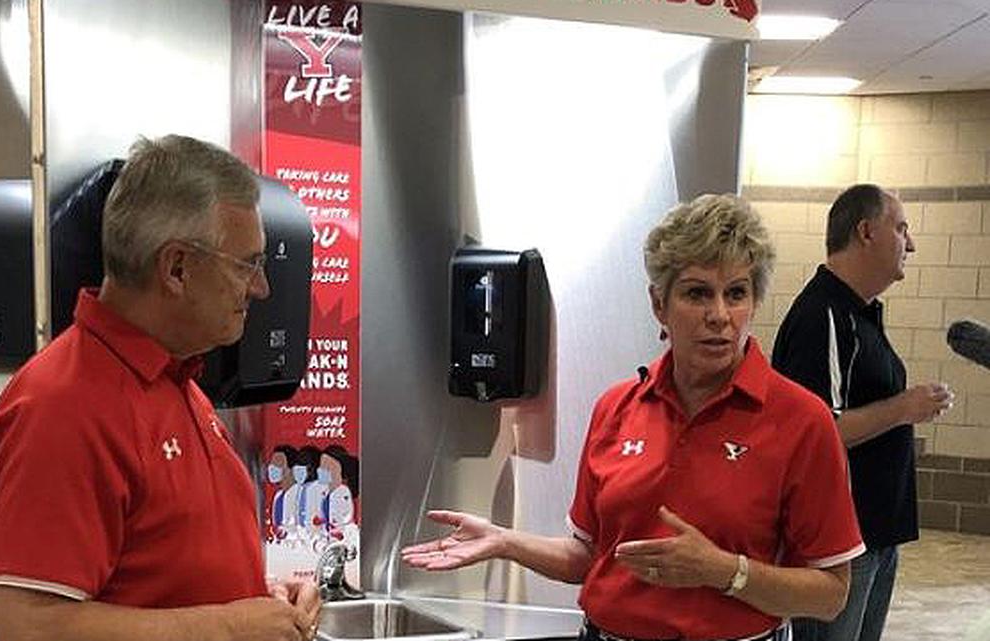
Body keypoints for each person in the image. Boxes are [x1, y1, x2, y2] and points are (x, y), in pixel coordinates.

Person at [403, 194, 864, 641]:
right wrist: (505, 541)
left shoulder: (801, 420)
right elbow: (588, 555)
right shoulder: (617, 408)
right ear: (659, 305)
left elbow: (830, 595)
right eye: (697, 293)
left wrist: (726, 571)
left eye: (736, 293)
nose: (720, 315)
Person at [0, 135, 321, 641]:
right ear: (177, 268)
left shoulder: (179, 382)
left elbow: (161, 578)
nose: (261, 287)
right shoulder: (61, 406)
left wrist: (257, 600)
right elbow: (28, 625)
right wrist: (228, 626)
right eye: (247, 263)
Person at [772, 184, 954, 641]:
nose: (910, 244)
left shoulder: (859, 314)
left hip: (875, 536)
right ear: (866, 231)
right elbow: (814, 432)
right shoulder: (823, 316)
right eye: (901, 228)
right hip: (840, 545)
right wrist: (903, 408)